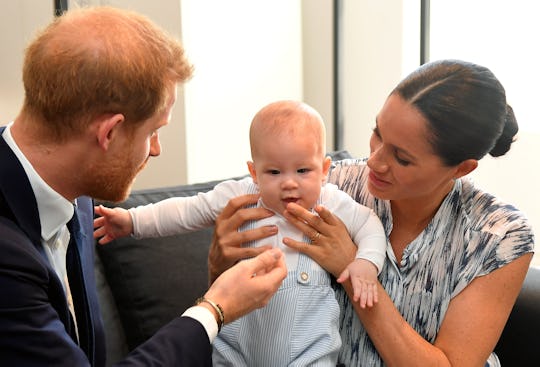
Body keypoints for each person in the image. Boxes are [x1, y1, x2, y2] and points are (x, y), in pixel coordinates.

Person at [0, 6, 287, 367]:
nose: (156, 149)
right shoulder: (7, 258)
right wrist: (215, 309)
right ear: (110, 132)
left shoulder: (78, 191)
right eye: (153, 131)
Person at [208, 60, 535, 366]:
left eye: (402, 158)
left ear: (461, 169)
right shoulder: (326, 186)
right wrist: (219, 263)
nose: (375, 161)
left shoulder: (500, 235)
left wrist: (353, 270)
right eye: (377, 133)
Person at [94, 99, 387, 366]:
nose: (289, 183)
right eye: (274, 172)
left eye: (303, 171)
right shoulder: (241, 196)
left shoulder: (331, 201)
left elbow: (369, 225)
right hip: (237, 350)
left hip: (307, 353)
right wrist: (132, 221)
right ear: (254, 172)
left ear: (324, 170)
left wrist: (365, 264)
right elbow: (187, 211)